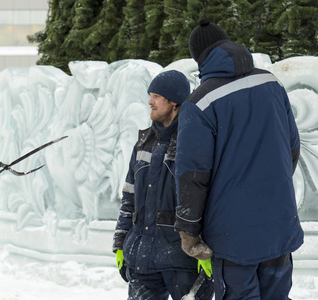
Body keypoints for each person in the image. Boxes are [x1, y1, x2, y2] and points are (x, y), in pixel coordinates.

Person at [174, 18, 304, 300]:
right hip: (279, 225)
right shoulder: (270, 83)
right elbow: (292, 148)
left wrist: (188, 233)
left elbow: (192, 176)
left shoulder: (199, 103)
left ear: (199, 58)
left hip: (232, 238)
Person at [113, 70, 214, 300]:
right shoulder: (143, 143)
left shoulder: (193, 141)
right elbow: (129, 196)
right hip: (143, 260)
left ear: (174, 102)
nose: (150, 101)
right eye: (151, 95)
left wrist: (205, 250)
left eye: (156, 96)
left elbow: (205, 200)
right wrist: (120, 242)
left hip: (184, 262)